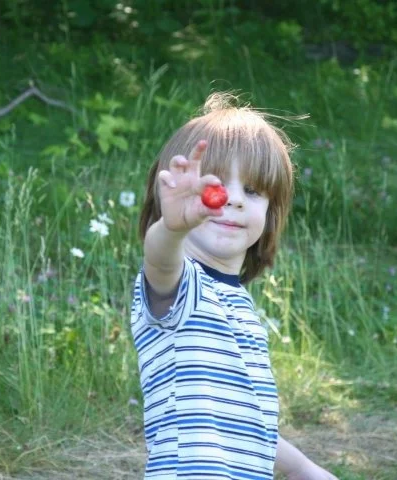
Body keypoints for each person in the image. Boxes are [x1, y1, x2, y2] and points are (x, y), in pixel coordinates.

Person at [130, 92, 338, 480]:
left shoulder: (237, 302)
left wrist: (307, 470)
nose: (235, 201)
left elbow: (247, 420)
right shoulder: (181, 286)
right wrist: (172, 228)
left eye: (254, 191)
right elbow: (159, 261)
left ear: (270, 212)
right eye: (217, 186)